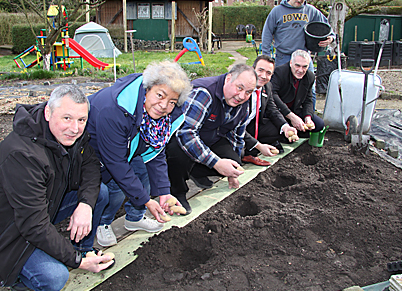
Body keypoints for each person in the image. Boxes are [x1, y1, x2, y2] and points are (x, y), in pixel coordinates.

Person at [0, 85, 113, 291]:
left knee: (99, 193)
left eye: (81, 120)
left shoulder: (72, 136)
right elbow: (33, 224)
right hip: (8, 230)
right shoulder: (22, 154)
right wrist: (77, 263)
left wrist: (85, 205)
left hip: (43, 207)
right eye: (66, 118)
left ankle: (84, 249)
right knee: (54, 278)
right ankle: (17, 277)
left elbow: (91, 166)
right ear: (48, 113)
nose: (75, 128)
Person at [86, 61, 192, 244]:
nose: (164, 106)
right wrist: (146, 200)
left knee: (142, 170)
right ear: (147, 89)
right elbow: (117, 164)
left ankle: (134, 219)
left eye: (172, 102)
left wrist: (163, 192)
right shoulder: (116, 109)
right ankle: (103, 222)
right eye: (160, 95)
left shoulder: (160, 117)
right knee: (116, 185)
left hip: (127, 145)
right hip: (91, 148)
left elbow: (156, 151)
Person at [166, 63, 257, 214]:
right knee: (179, 152)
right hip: (184, 138)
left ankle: (195, 170)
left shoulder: (244, 103)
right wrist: (216, 162)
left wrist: (232, 171)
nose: (242, 96)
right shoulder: (205, 92)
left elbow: (237, 137)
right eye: (239, 88)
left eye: (248, 92)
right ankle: (177, 191)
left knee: (236, 160)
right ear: (228, 79)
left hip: (210, 137)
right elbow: (186, 133)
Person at [261, 0, 335, 107]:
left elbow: (327, 28)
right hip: (283, 56)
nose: (300, 0)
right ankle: (279, 117)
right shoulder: (277, 11)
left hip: (304, 56)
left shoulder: (311, 11)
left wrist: (331, 38)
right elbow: (267, 33)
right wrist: (266, 57)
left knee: (309, 88)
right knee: (279, 88)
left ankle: (309, 117)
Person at [243, 55, 298, 166]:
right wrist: (258, 145)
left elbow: (272, 110)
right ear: (252, 69)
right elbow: (234, 124)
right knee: (233, 157)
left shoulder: (267, 87)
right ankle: (248, 150)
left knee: (279, 132)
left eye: (268, 73)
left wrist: (285, 126)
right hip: (233, 128)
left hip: (250, 125)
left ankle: (251, 148)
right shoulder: (242, 88)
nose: (264, 76)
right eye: (260, 70)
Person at [271, 49, 325, 137]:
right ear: (291, 63)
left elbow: (308, 99)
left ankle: (295, 130)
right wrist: (291, 116)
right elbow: (273, 95)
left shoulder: (309, 76)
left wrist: (308, 117)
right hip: (279, 110)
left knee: (319, 124)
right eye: (297, 65)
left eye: (304, 67)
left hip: (295, 109)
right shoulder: (280, 72)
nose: (300, 70)